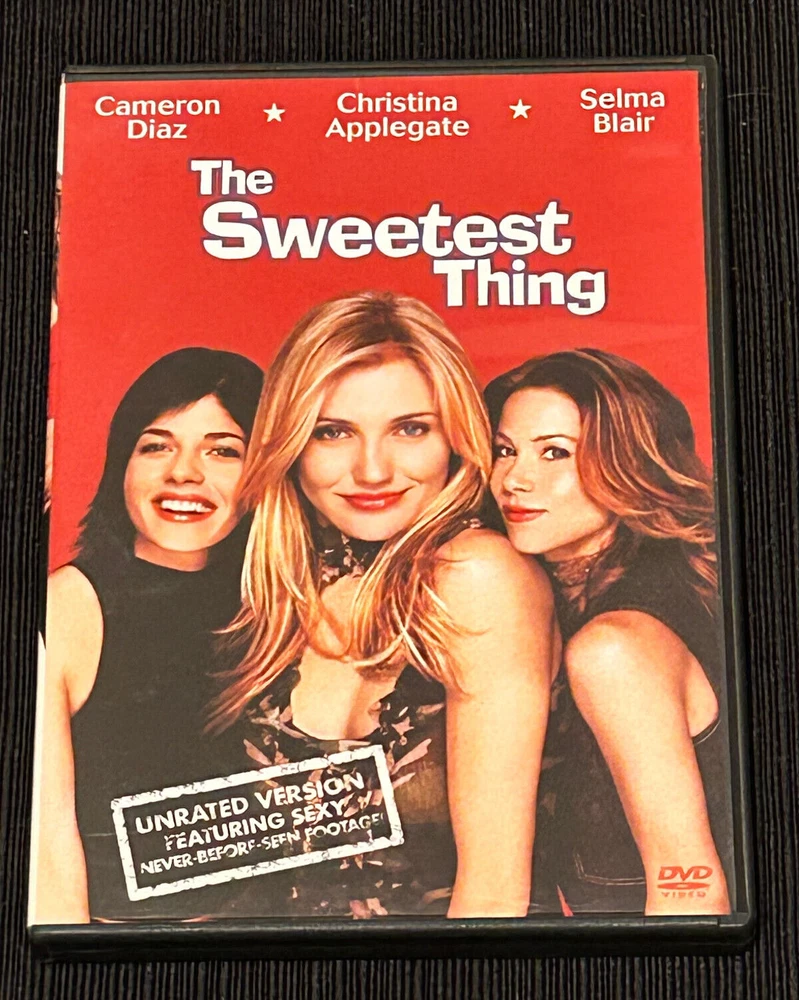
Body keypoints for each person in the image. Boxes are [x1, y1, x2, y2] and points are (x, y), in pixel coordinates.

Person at [212, 291, 557, 919]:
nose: (372, 470)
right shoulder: (287, 583)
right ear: (292, 444)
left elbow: (495, 894)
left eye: (411, 428)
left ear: (455, 437)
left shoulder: (479, 576)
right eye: (333, 432)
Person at [485, 348, 732, 916]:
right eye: (505, 450)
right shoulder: (566, 602)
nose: (514, 479)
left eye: (555, 452)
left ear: (629, 463)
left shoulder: (614, 649)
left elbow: (690, 890)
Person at [34, 347, 263, 923]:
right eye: (156, 445)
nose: (184, 472)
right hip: (121, 945)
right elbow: (45, 850)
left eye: (223, 450)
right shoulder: (68, 606)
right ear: (122, 465)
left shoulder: (286, 604)